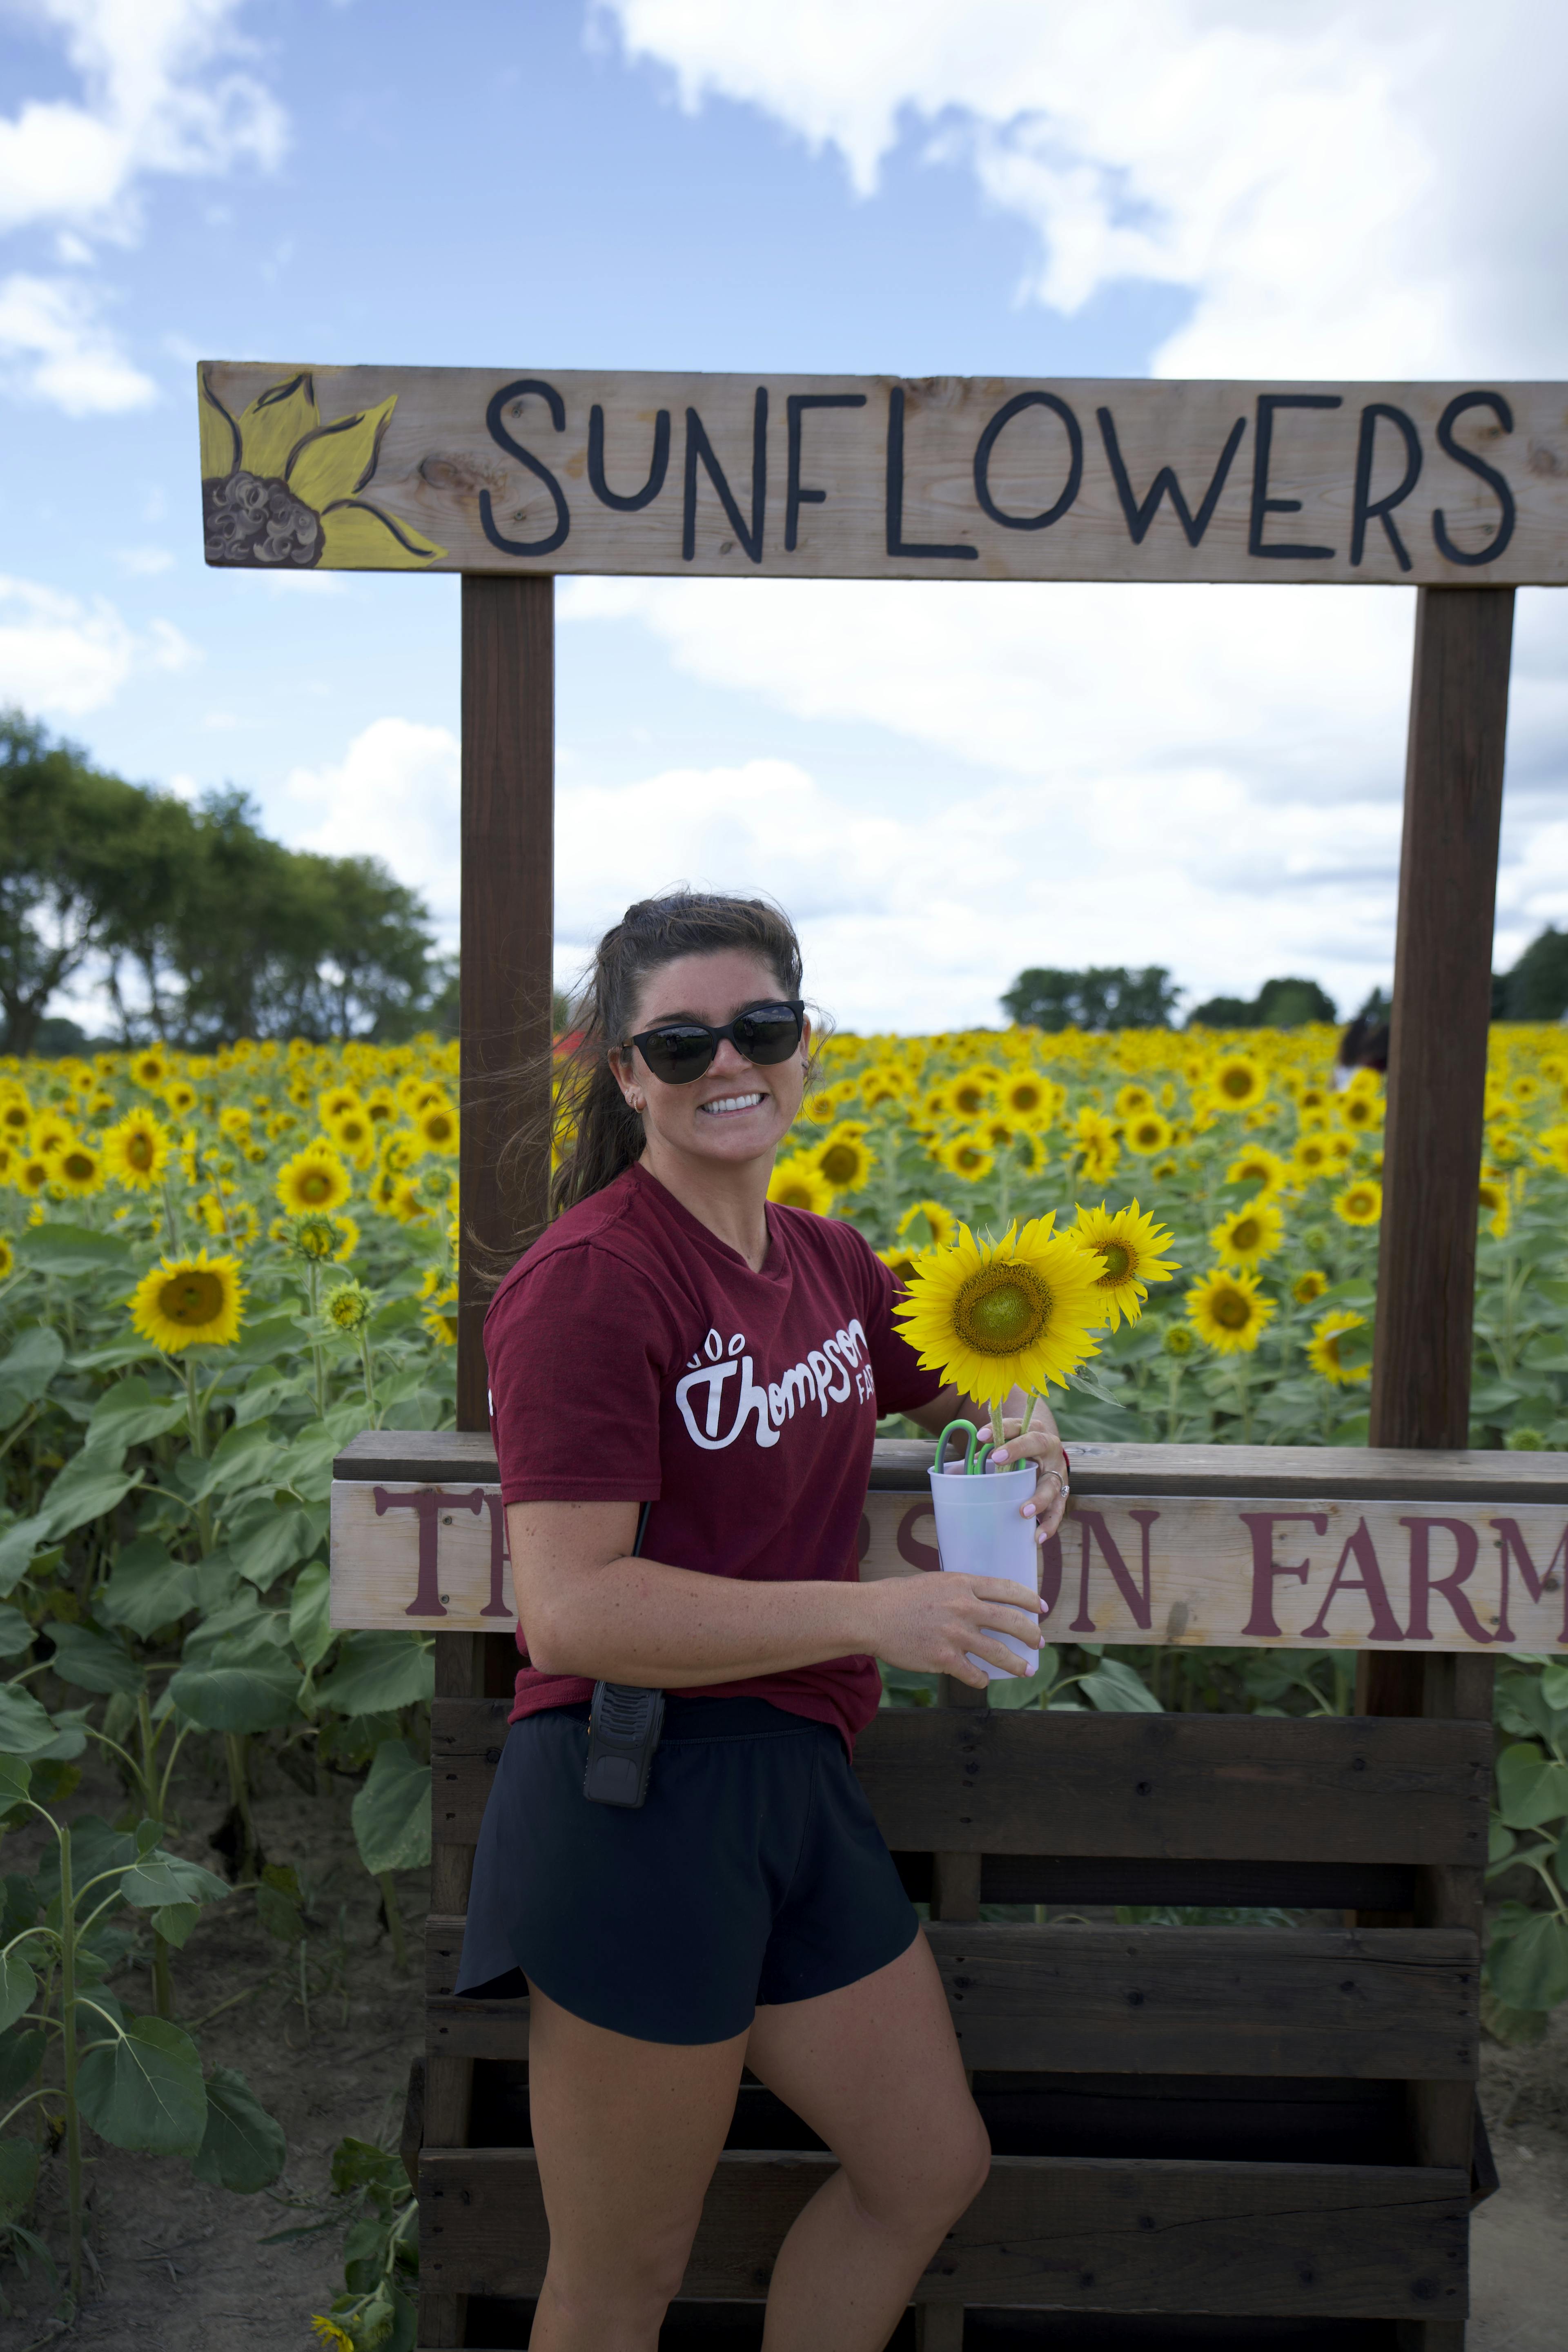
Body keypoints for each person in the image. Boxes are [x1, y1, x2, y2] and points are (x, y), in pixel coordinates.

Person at [457, 891, 1071, 2352]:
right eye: (680, 1043)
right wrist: (882, 1613)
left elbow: (968, 1359)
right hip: (637, 1792)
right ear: (624, 1074)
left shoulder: (830, 1263)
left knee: (928, 2168)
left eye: (760, 1028)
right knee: (622, 2282)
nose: (726, 1062)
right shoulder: (589, 1285)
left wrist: (1032, 1415)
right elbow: (573, 1608)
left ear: (804, 1048)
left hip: (795, 1782)